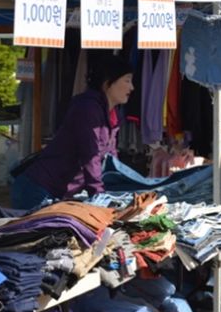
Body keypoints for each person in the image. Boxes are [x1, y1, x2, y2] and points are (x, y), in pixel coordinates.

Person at [10, 54, 134, 209]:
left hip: (58, 191)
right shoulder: (87, 108)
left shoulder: (112, 114)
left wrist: (122, 189)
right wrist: (99, 195)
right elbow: (90, 154)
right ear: (107, 82)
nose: (132, 87)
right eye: (127, 80)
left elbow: (111, 160)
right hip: (38, 189)